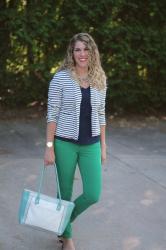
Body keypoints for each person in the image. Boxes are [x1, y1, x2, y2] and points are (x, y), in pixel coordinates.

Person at [44, 33, 107, 250]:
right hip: (64, 144)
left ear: (92, 52)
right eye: (77, 49)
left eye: (86, 49)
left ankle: (62, 221)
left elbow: (101, 114)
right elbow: (52, 114)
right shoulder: (60, 78)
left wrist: (104, 146)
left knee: (92, 193)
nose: (82, 54)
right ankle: (67, 237)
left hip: (92, 144)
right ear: (72, 53)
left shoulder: (100, 78)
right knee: (65, 190)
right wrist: (49, 147)